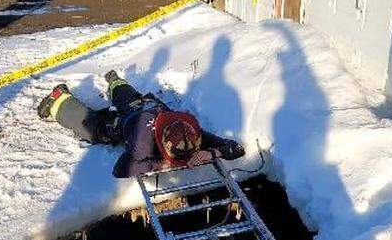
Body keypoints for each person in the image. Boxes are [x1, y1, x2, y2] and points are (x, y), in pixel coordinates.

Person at [36, 71, 245, 177]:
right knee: (93, 128)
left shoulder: (186, 131)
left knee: (131, 99)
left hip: (147, 105)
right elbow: (121, 169)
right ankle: (58, 99)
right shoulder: (143, 142)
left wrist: (211, 153)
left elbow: (236, 148)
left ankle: (115, 80)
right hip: (126, 123)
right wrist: (162, 163)